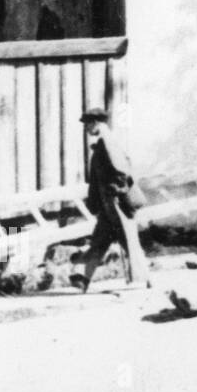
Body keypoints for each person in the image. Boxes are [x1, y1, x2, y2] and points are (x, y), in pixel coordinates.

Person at [70, 108, 150, 291]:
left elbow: (121, 169)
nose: (86, 129)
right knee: (100, 240)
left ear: (96, 123)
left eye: (88, 125)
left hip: (115, 204)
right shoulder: (105, 141)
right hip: (108, 205)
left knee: (127, 239)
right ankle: (84, 279)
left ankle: (146, 277)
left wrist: (116, 189)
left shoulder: (108, 141)